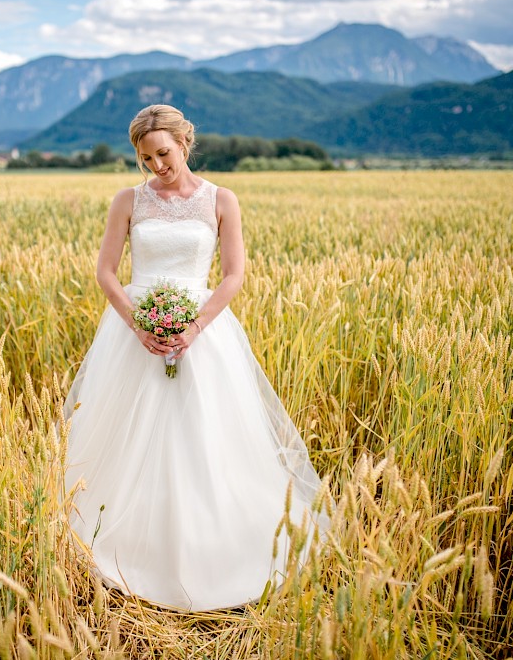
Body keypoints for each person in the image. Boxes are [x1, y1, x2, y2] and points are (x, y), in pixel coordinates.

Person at [63, 104, 329, 612]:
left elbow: (232, 275)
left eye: (163, 153)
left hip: (202, 330)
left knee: (205, 435)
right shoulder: (128, 201)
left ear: (185, 142)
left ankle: (214, 546)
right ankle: (130, 544)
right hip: (134, 333)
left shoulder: (222, 199)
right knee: (128, 436)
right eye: (146, 158)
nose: (157, 165)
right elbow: (106, 273)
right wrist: (140, 325)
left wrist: (194, 327)